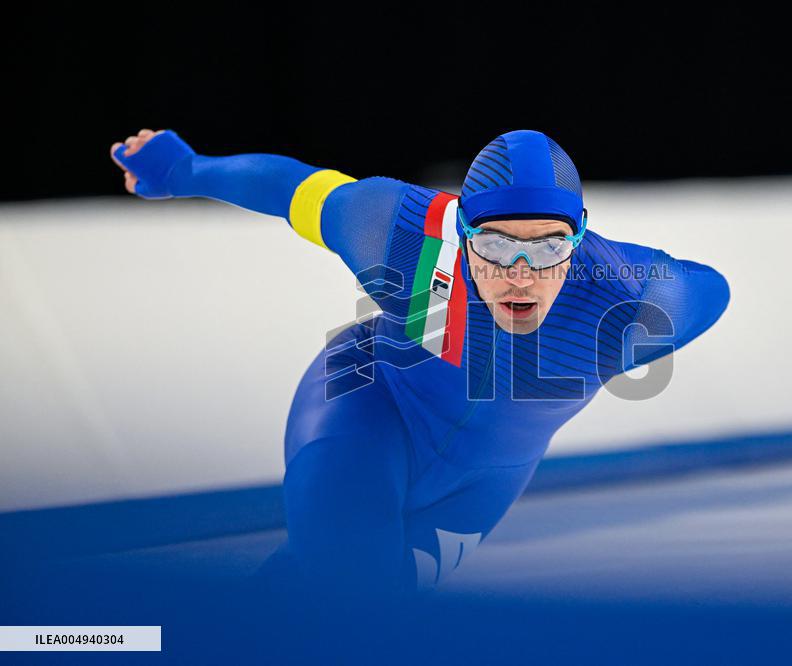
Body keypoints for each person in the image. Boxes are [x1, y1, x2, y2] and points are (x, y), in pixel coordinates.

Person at [109, 128, 730, 597]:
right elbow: (290, 187)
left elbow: (716, 289)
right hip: (365, 405)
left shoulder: (626, 297)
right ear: (462, 230)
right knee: (354, 592)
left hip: (482, 481)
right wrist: (184, 170)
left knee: (342, 603)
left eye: (548, 246)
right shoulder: (396, 230)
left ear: (579, 235)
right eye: (496, 244)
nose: (521, 273)